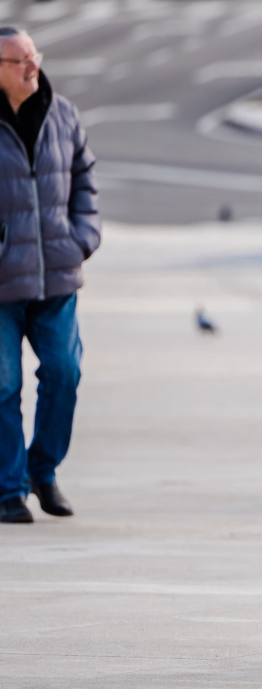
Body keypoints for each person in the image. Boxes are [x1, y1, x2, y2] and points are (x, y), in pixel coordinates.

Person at [0, 26, 99, 524]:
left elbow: (85, 179)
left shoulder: (63, 114)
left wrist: (82, 238)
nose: (31, 66)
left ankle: (44, 471)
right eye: (19, 61)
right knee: (2, 382)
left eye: (34, 56)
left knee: (64, 373)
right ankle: (7, 489)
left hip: (56, 277)